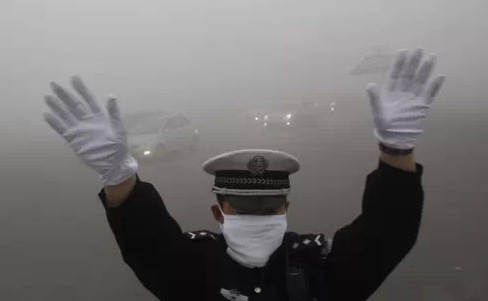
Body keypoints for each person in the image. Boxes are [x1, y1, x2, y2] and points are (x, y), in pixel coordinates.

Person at [42, 48, 446, 301]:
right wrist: (116, 175)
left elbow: (387, 233)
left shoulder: (316, 266)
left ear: (286, 208)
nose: (258, 215)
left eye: (268, 205)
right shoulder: (193, 268)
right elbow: (147, 242)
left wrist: (397, 151)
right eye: (244, 205)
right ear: (218, 214)